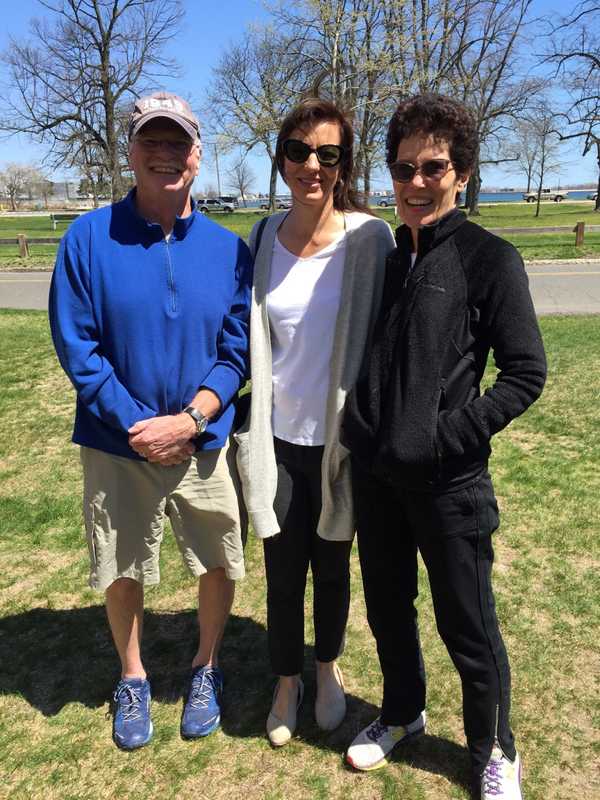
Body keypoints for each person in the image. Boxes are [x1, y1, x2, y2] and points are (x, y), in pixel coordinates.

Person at [342, 94, 546, 800]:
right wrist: (363, 434)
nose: (417, 183)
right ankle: (402, 712)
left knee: (469, 625)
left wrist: (443, 435)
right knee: (389, 608)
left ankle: (496, 749)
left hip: (450, 483)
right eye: (403, 169)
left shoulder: (490, 258)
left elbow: (526, 373)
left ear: (460, 172)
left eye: (433, 167)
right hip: (378, 481)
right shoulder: (391, 256)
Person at [49, 92, 252, 750]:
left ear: (197, 152)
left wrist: (190, 419)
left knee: (218, 559)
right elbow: (78, 349)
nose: (164, 153)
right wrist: (142, 426)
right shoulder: (87, 239)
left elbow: (236, 349)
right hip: (118, 445)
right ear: (130, 152)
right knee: (120, 563)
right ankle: (132, 676)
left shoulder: (229, 250)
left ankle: (206, 666)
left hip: (204, 441)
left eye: (177, 142)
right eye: (150, 141)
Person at [234, 98, 395, 746]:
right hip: (277, 441)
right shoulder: (262, 236)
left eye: (328, 154)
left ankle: (325, 668)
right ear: (281, 159)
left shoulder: (370, 239)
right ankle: (286, 681)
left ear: (344, 163)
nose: (312, 165)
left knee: (332, 567)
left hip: (340, 447)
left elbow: (396, 335)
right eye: (299, 151)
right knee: (282, 569)